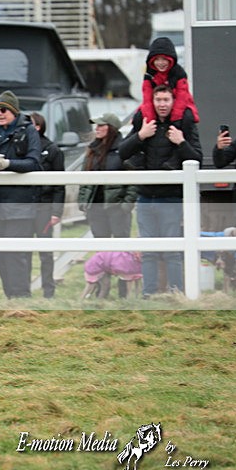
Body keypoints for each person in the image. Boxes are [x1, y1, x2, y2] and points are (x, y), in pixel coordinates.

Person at [119, 84, 202, 297]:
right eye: (158, 100)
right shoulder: (145, 123)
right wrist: (141, 135)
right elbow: (122, 152)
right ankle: (149, 295)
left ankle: (177, 294)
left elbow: (197, 159)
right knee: (148, 251)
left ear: (173, 102)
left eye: (166, 100)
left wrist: (181, 141)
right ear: (153, 102)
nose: (162, 104)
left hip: (170, 198)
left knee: (172, 251)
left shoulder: (183, 125)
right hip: (145, 196)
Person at [0, 90, 42, 298]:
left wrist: (7, 164)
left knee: (17, 254)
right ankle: (9, 297)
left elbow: (34, 162)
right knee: (1, 254)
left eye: (3, 109)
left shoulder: (29, 131)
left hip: (20, 204)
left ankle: (21, 297)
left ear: (13, 111)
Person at [79, 113, 137, 298]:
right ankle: (101, 291)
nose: (96, 128)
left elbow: (135, 178)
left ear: (110, 128)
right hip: (96, 207)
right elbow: (84, 178)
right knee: (102, 252)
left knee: (122, 251)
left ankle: (122, 293)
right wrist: (83, 200)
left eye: (101, 125)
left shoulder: (123, 149)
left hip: (116, 207)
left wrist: (126, 204)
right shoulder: (92, 149)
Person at [125, 37, 199, 171]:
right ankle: (138, 158)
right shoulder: (149, 73)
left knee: (187, 118)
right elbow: (147, 95)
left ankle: (174, 160)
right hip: (154, 110)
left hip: (179, 107)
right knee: (139, 118)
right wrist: (146, 123)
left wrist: (176, 123)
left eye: (164, 59)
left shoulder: (179, 72)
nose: (161, 63)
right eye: (157, 59)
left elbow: (182, 96)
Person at [28, 112, 65, 298]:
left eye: (31, 124)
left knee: (45, 253)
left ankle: (48, 292)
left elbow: (59, 184)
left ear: (39, 126)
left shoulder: (53, 150)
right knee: (23, 251)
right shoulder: (22, 148)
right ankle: (22, 291)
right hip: (26, 208)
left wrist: (56, 211)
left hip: (44, 207)